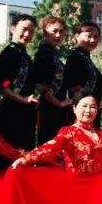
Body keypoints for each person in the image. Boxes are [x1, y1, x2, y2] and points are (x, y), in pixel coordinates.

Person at [0, 15, 39, 166]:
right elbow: (2, 86)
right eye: (24, 29)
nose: (27, 34)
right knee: (9, 158)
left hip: (25, 113)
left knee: (24, 157)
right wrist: (23, 99)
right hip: (10, 113)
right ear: (13, 29)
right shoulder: (9, 53)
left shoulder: (24, 54)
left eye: (31, 31)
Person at [32, 16, 71, 145]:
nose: (58, 35)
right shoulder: (43, 53)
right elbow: (41, 86)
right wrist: (59, 103)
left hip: (55, 109)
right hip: (49, 109)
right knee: (49, 147)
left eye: (61, 32)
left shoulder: (53, 53)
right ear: (45, 32)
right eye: (54, 31)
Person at [63, 22, 102, 114]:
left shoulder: (85, 57)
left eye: (96, 37)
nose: (92, 40)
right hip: (82, 112)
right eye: (88, 36)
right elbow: (74, 88)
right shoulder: (75, 57)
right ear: (77, 36)